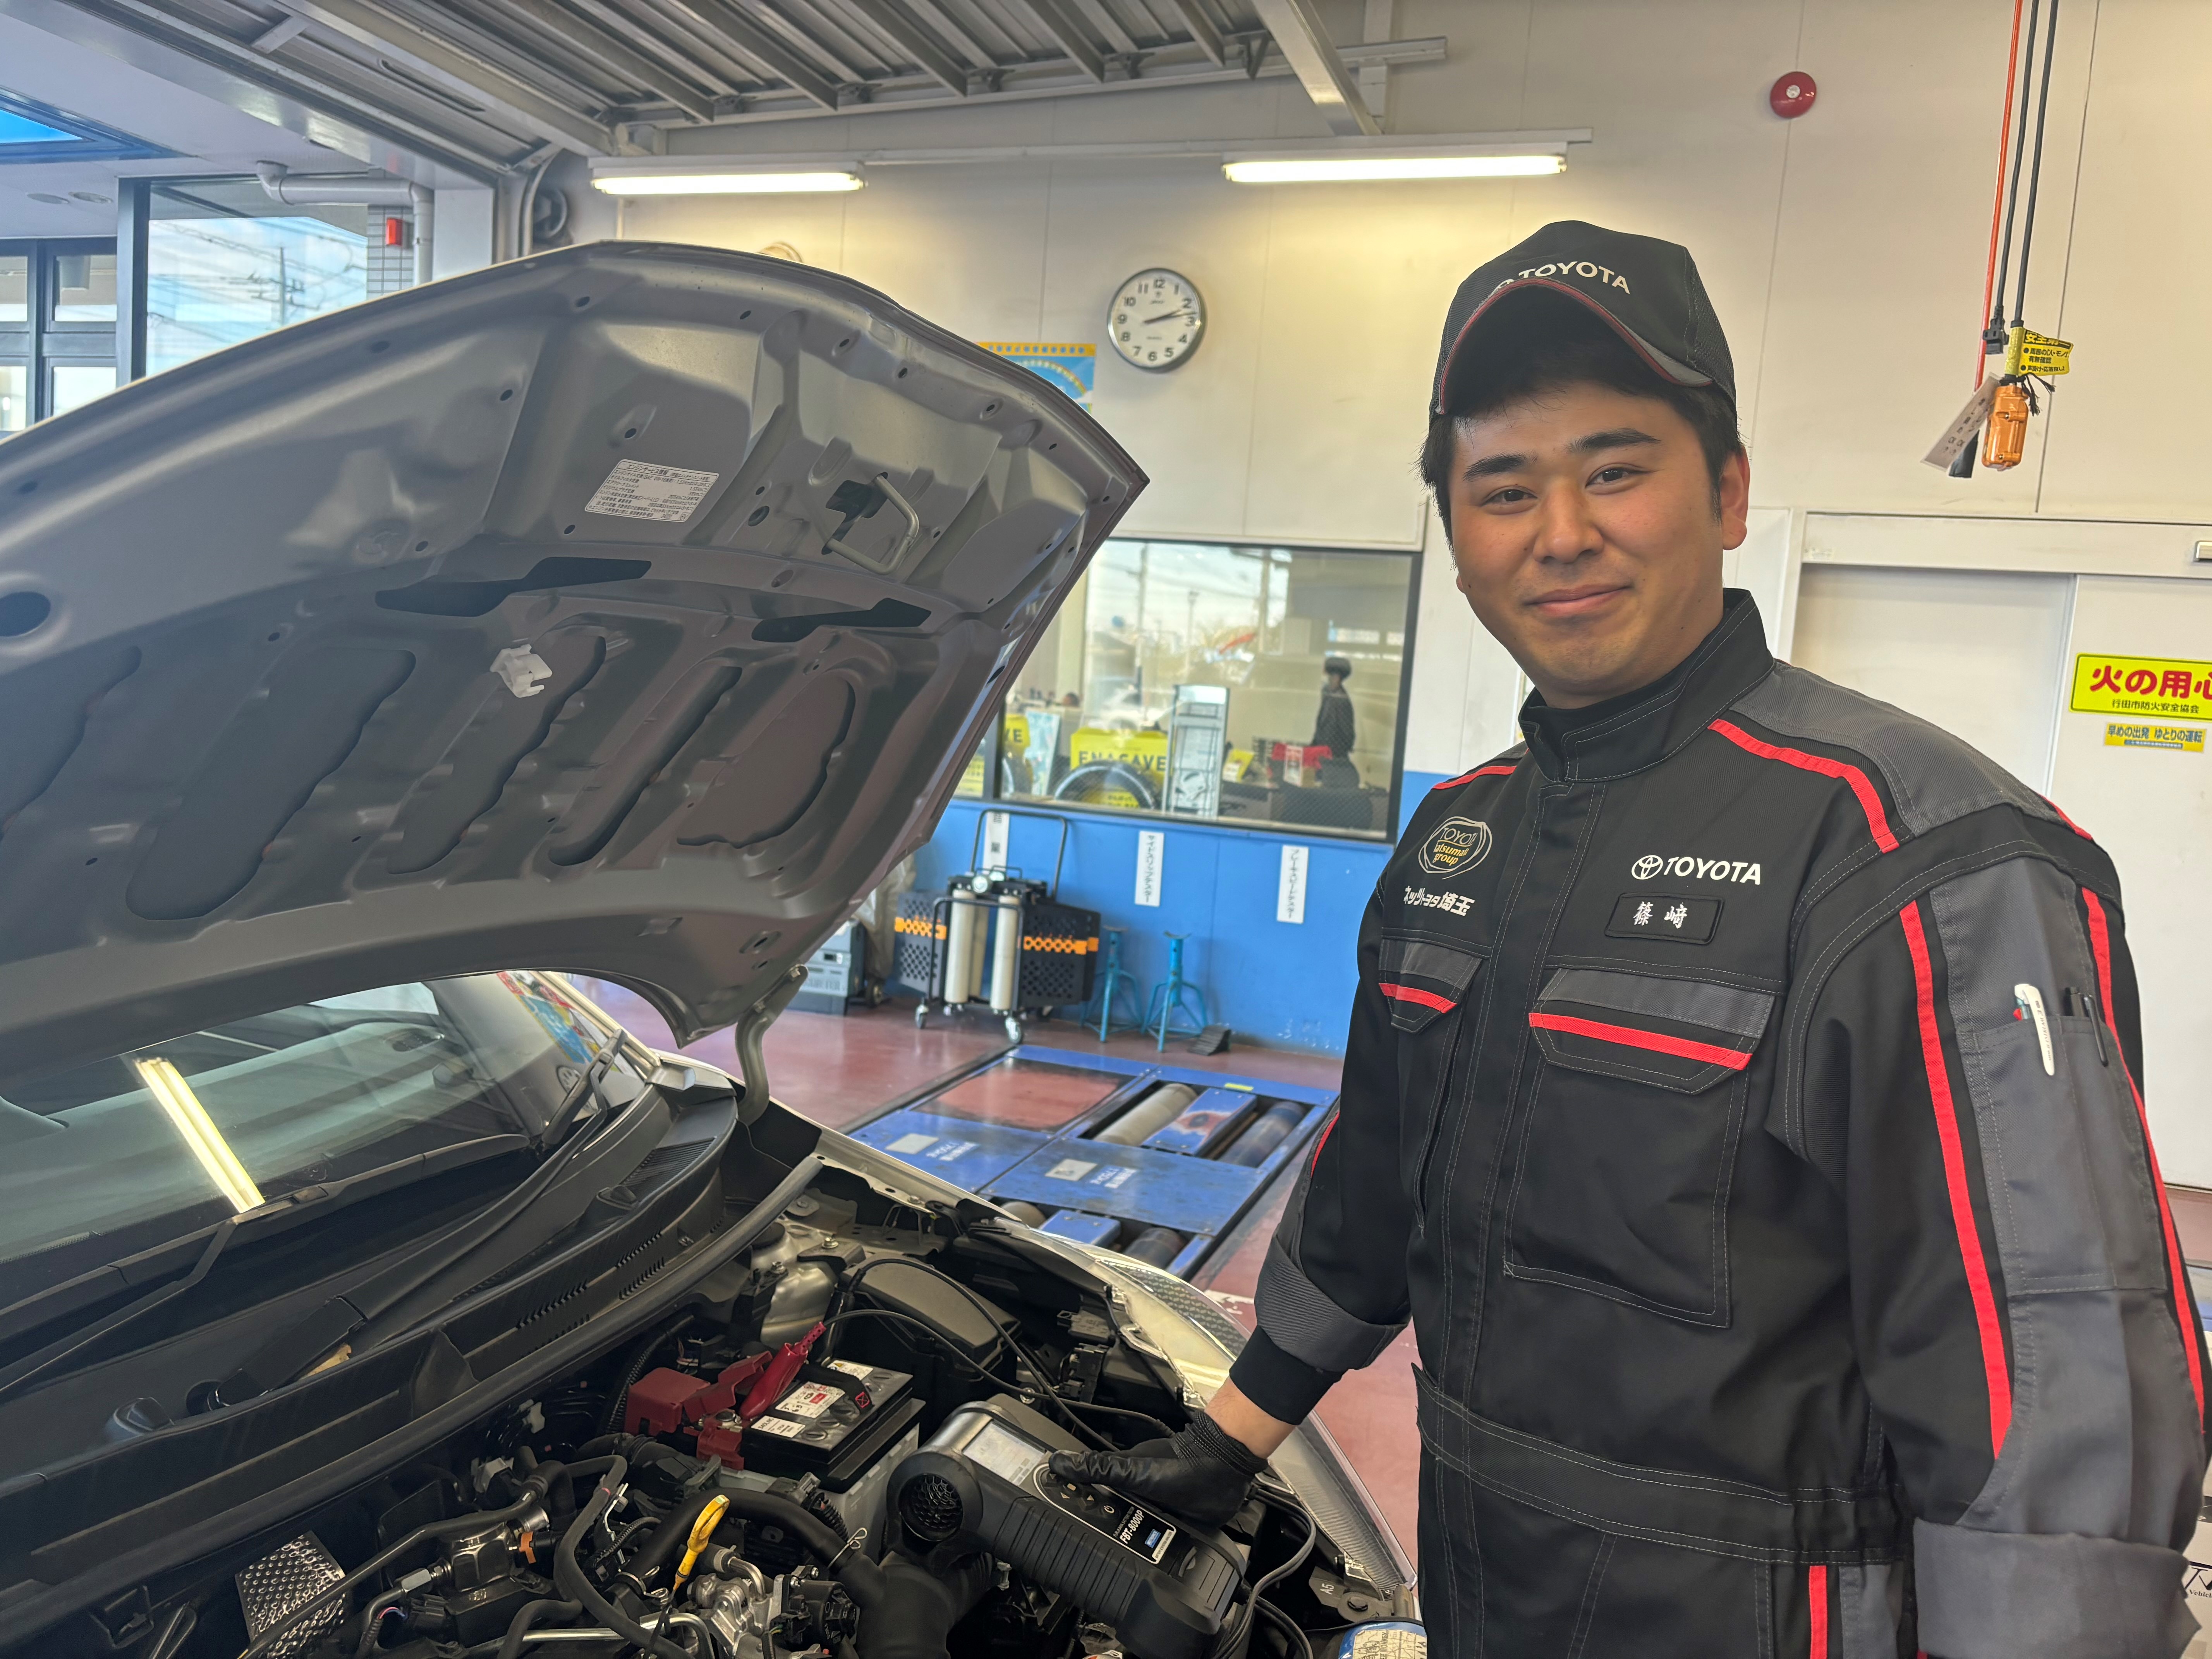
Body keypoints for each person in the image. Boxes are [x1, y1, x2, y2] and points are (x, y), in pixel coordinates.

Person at [1053, 222, 2208, 1657]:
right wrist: (1227, 1437)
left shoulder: (1914, 851)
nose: (1559, 532)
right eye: (1502, 489)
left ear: (1727, 492)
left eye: (1613, 471)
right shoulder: (1460, 842)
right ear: (1457, 542)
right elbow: (1370, 1196)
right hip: (1480, 1573)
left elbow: (2053, 1372)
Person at [1311, 654, 1358, 774]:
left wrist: (1336, 754)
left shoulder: (1341, 700)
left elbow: (1347, 735)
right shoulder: (1329, 695)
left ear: (1337, 678)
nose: (1328, 680)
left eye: (1330, 677)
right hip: (1322, 757)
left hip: (1333, 760)